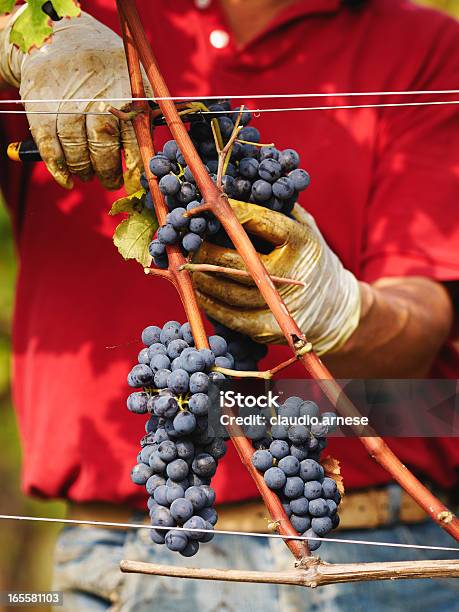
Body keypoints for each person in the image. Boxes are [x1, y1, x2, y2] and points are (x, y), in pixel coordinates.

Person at [1, 0, 458, 610]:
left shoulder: (425, 44)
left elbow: (423, 318)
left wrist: (339, 309)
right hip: (123, 560)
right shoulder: (80, 17)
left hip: (380, 555)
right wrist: (18, 38)